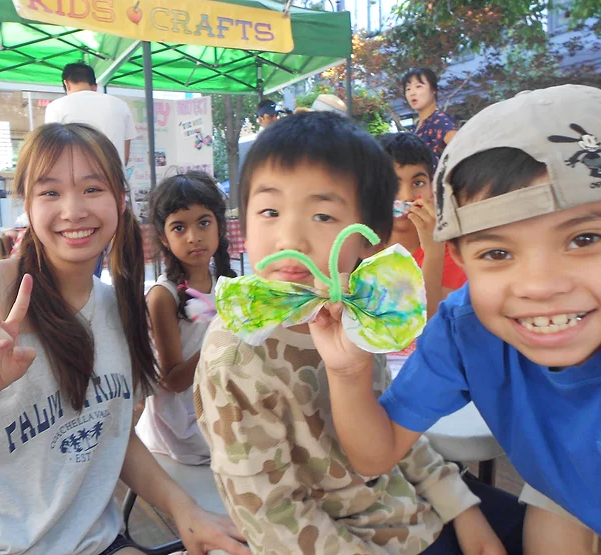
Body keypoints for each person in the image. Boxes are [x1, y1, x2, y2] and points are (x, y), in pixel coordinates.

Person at [0, 123, 250, 555]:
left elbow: (111, 433)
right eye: (49, 192)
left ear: (120, 201)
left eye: (91, 189)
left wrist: (185, 511)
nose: (73, 210)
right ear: (26, 204)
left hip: (88, 541)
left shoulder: (120, 308)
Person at [194, 111, 526, 554]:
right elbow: (275, 517)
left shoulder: (359, 313)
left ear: (373, 239)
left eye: (324, 216)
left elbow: (398, 432)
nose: (289, 236)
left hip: (414, 509)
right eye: (270, 211)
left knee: (544, 527)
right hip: (356, 541)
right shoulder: (235, 358)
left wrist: (463, 511)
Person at [324, 85, 601, 553]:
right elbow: (377, 452)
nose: (540, 285)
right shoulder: (464, 326)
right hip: (565, 490)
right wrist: (348, 372)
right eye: (497, 252)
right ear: (459, 254)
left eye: (584, 239)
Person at [136, 172, 236, 465]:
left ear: (219, 226)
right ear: (164, 239)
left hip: (222, 399)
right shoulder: (163, 297)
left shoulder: (227, 285)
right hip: (184, 423)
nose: (194, 237)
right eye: (179, 228)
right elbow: (174, 381)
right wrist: (225, 337)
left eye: (204, 223)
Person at [379, 133, 467, 375]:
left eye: (418, 183)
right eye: (392, 184)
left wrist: (433, 253)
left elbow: (431, 331)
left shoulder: (452, 253)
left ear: (432, 188)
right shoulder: (358, 247)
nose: (406, 197)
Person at [45, 62, 137, 167]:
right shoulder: (121, 105)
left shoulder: (55, 107)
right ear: (94, 86)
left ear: (66, 83)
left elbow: (52, 151)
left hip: (76, 178)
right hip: (114, 177)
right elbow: (125, 156)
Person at [403, 68, 456, 167]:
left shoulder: (438, 120)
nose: (412, 93)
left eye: (418, 86)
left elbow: (461, 149)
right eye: (408, 89)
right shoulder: (416, 127)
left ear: (433, 90)